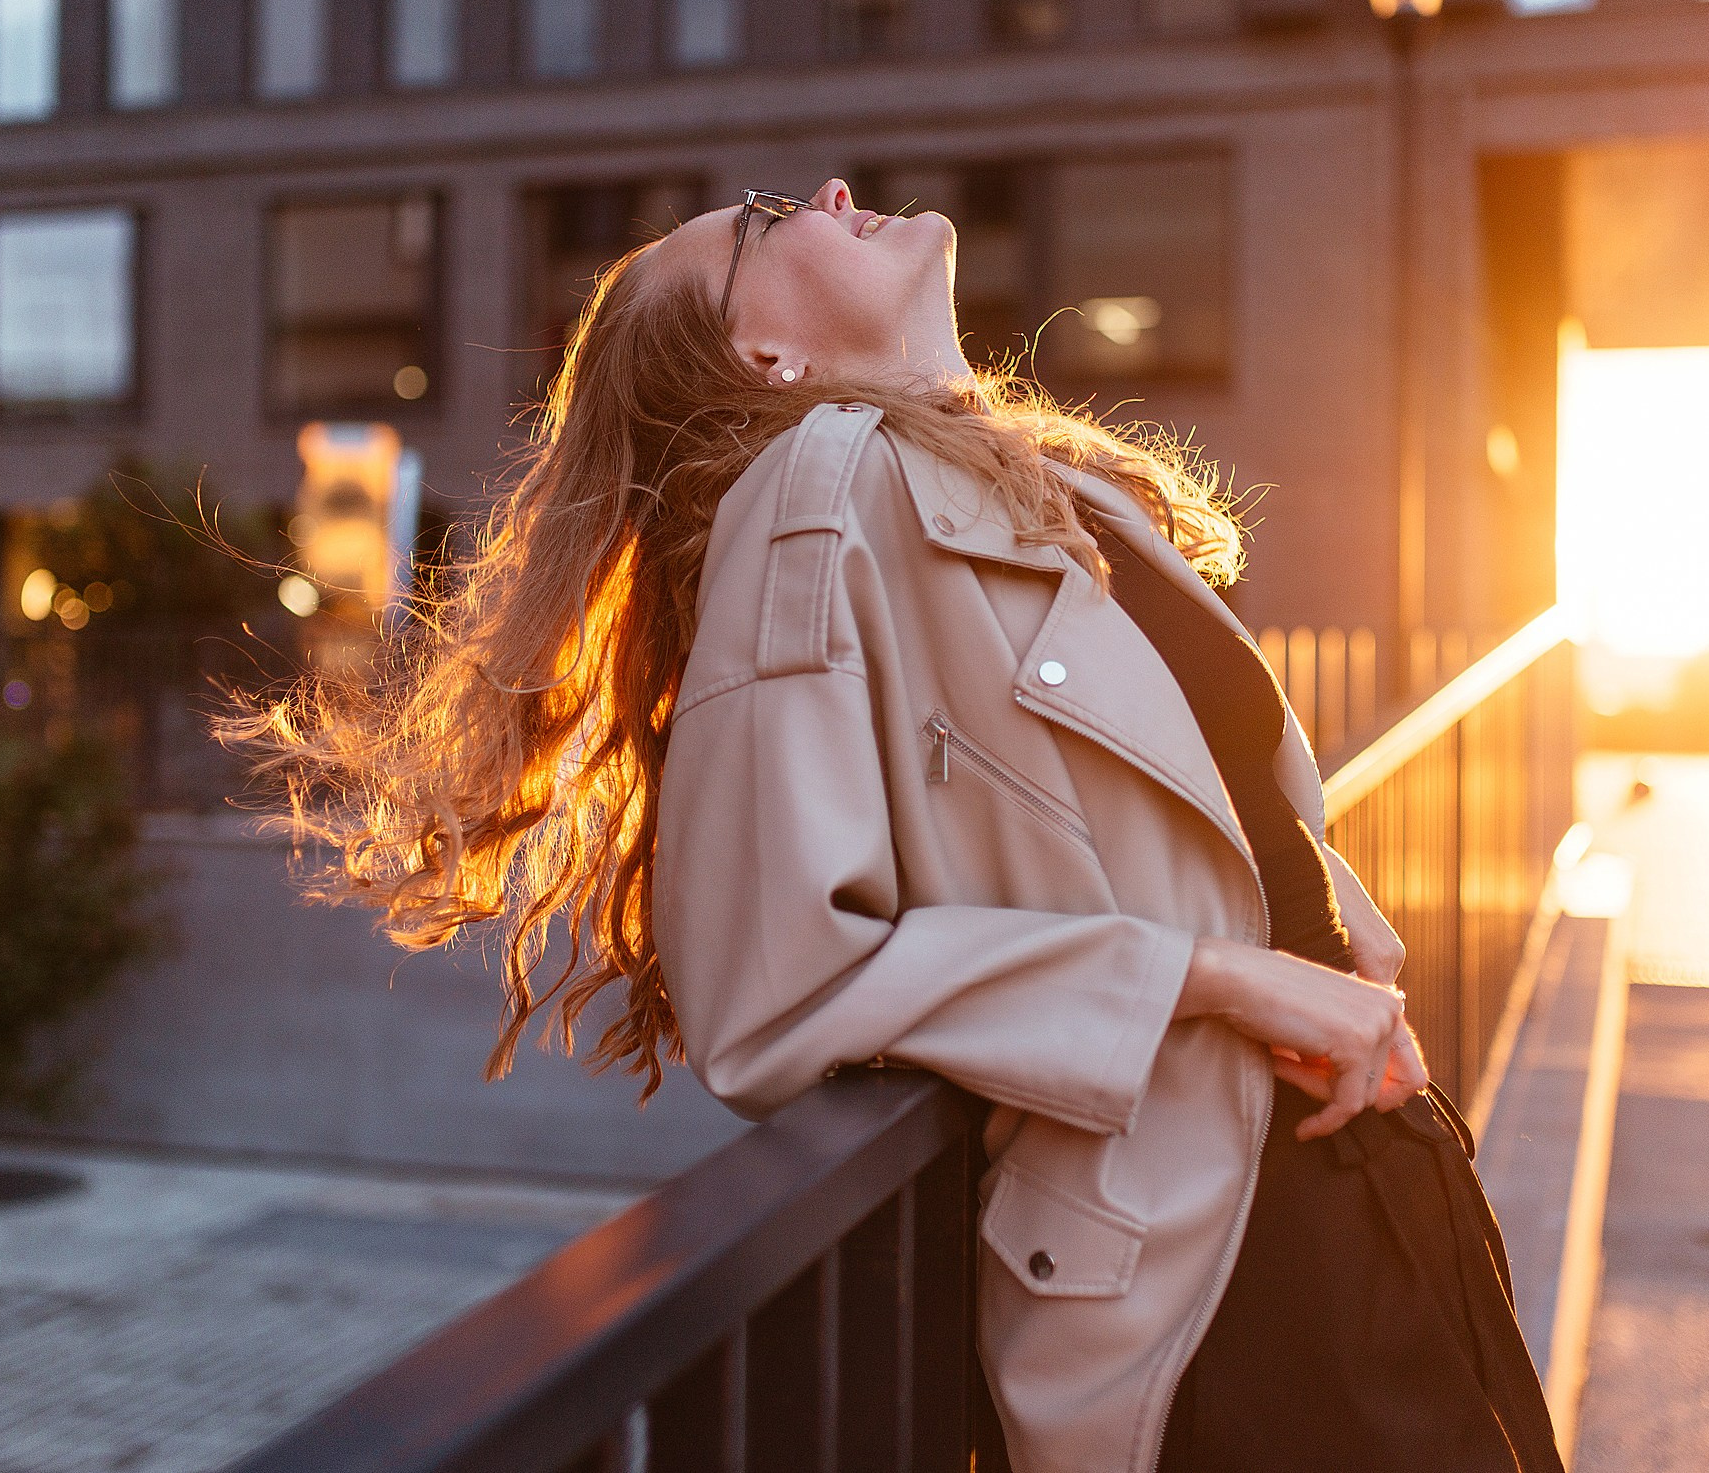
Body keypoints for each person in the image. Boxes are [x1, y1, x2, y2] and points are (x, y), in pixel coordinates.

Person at [231, 180, 1563, 1473]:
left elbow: (1228, 815)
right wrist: (1217, 980)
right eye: (766, 222)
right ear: (766, 351)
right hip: (1221, 1265)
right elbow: (773, 989)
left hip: (1365, 1172)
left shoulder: (1050, 494)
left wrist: (1355, 967)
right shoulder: (812, 493)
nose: (828, 187)